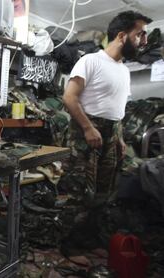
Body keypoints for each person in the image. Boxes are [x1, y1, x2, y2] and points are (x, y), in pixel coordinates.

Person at [62, 11, 152, 203]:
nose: (144, 41)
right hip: (86, 134)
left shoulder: (124, 71)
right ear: (121, 36)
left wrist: (118, 137)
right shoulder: (90, 61)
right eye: (139, 34)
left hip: (112, 135)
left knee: (105, 192)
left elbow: (115, 107)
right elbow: (69, 97)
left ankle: (94, 230)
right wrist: (88, 128)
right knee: (78, 194)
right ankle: (69, 232)